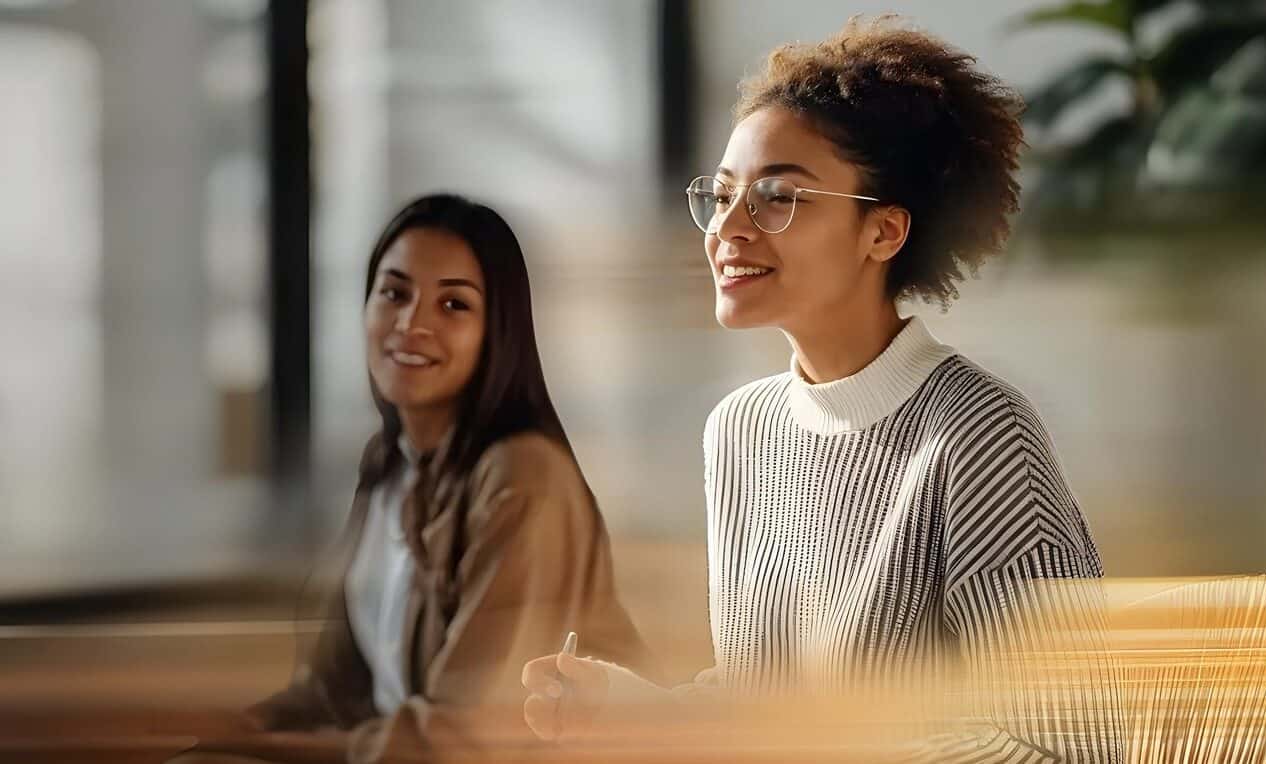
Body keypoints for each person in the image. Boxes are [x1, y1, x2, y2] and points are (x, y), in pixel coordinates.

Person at [522, 16, 1125, 761]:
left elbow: (1069, 745)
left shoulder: (978, 434)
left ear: (884, 233)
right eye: (721, 195)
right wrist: (632, 707)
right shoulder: (740, 431)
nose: (727, 230)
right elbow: (763, 704)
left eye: (778, 198)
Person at [175, 193, 651, 764]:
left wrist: (262, 748)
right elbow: (336, 692)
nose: (412, 324)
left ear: (497, 332)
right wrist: (224, 733)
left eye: (453, 305)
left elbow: (466, 738)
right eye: (395, 293)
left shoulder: (525, 478)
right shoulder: (388, 463)